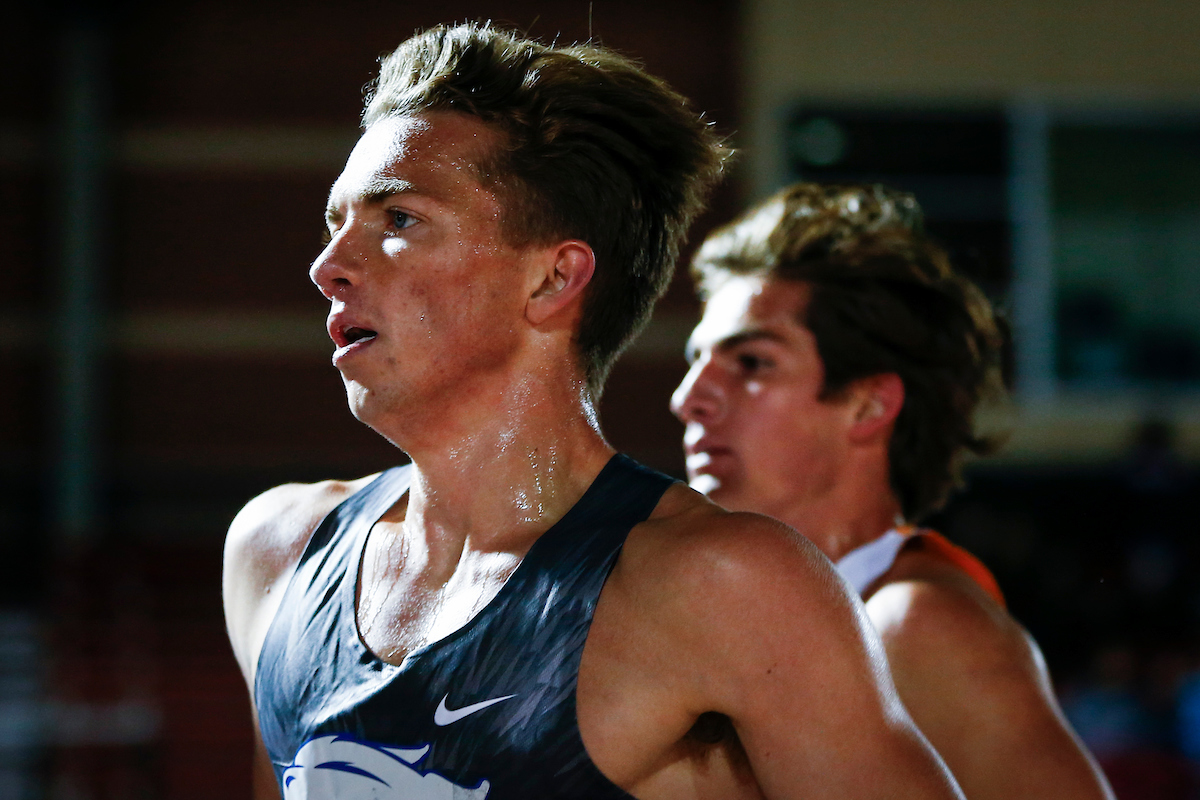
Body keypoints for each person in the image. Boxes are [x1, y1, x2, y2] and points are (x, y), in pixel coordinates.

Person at [222, 23, 964, 800]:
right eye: (334, 226)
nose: (328, 267)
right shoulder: (276, 554)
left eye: (398, 220)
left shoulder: (724, 587)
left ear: (552, 281)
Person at [672, 182, 1116, 800]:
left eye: (751, 363)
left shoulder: (916, 627)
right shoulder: (768, 616)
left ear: (868, 405)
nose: (689, 398)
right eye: (695, 361)